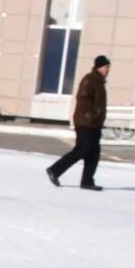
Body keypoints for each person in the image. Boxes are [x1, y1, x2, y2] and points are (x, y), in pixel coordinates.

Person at [45, 54, 108, 191]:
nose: (107, 70)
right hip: (85, 122)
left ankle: (87, 181)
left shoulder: (99, 82)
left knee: (94, 154)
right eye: (106, 67)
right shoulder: (89, 80)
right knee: (81, 150)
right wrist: (93, 114)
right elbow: (83, 99)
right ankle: (54, 170)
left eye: (108, 67)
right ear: (99, 67)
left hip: (94, 124)